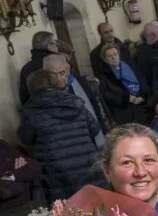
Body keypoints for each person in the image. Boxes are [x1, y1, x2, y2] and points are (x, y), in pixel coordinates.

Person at [18, 70, 103, 202]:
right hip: (87, 163)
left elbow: (26, 138)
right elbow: (95, 128)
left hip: (57, 170)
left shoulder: (31, 111)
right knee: (97, 204)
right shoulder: (75, 102)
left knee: (70, 209)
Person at [98, 43, 149, 125]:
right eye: (110, 56)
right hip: (122, 112)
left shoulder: (131, 66)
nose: (113, 57)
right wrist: (126, 98)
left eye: (115, 54)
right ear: (105, 59)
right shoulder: (103, 75)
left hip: (139, 107)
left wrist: (143, 97)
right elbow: (107, 94)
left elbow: (143, 82)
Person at [18, 31, 58, 104]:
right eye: (56, 44)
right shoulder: (55, 63)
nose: (57, 47)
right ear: (49, 46)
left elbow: (24, 97)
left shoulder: (26, 68)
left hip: (34, 109)